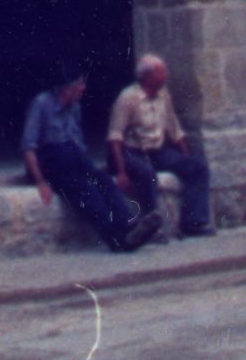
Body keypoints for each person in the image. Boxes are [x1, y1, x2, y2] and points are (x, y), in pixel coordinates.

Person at [22, 69, 158, 251]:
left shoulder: (74, 106)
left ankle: (128, 224)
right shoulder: (42, 104)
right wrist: (40, 181)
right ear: (67, 89)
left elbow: (78, 140)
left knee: (103, 180)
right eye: (80, 85)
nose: (83, 89)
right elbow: (28, 147)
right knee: (87, 193)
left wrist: (86, 165)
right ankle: (118, 241)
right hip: (52, 161)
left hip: (73, 157)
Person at [106, 52, 213, 238]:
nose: (166, 75)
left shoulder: (163, 95)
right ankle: (151, 226)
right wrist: (121, 172)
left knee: (197, 167)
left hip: (158, 149)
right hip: (132, 151)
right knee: (147, 174)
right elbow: (115, 137)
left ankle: (193, 221)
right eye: (161, 72)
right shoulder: (127, 98)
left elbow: (175, 129)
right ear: (147, 77)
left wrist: (185, 156)